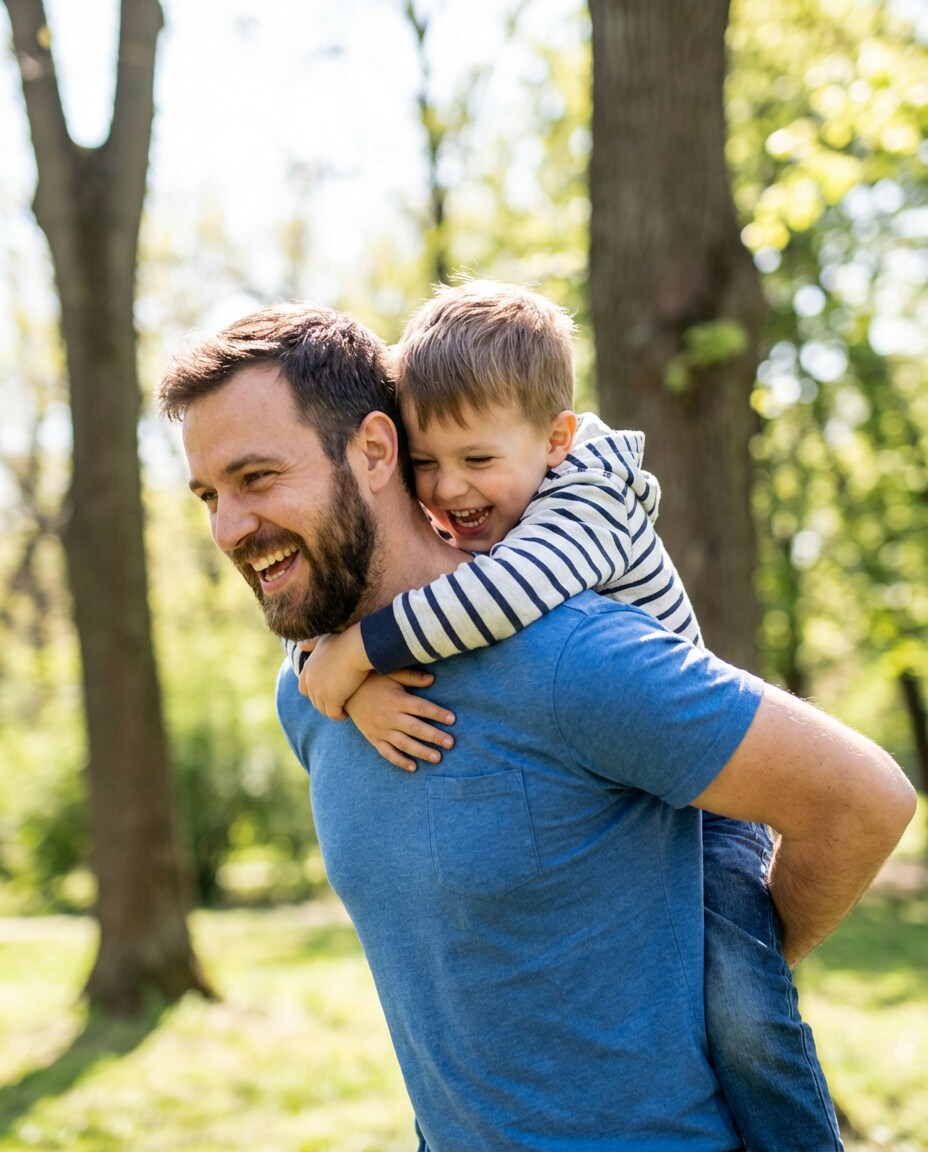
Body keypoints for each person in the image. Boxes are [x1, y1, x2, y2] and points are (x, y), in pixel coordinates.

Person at [161, 302, 915, 1152]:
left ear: (374, 451)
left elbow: (865, 801)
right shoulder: (312, 695)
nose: (228, 528)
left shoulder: (571, 655)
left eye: (257, 479)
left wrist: (736, 965)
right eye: (208, 496)